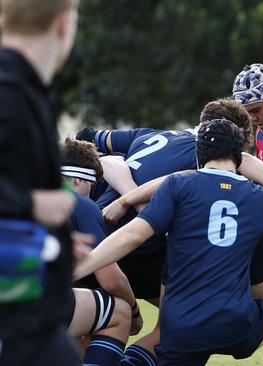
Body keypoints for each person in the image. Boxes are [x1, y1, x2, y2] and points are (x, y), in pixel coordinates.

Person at [75, 119, 263, 366]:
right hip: (234, 321)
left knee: (164, 338)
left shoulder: (178, 185)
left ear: (199, 153)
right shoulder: (262, 198)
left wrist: (82, 267)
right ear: (239, 156)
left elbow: (132, 236)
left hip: (179, 325)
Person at [0, 0, 84, 364]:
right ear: (64, 25)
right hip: (19, 328)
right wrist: (33, 205)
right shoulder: (10, 92)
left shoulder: (28, 90)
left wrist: (54, 241)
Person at [61, 138, 139, 366]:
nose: (91, 192)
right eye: (91, 185)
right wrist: (135, 312)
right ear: (77, 179)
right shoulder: (79, 204)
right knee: (119, 313)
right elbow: (111, 279)